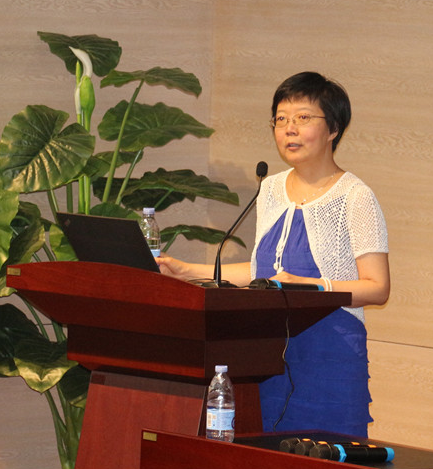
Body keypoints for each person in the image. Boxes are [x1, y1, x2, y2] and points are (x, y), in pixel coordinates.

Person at [156, 71, 390, 437]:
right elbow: (261, 273)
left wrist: (311, 286)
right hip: (265, 356)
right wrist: (185, 271)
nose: (289, 129)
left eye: (302, 118)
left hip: (328, 355)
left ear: (333, 128)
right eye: (281, 119)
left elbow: (377, 287)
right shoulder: (270, 189)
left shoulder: (354, 197)